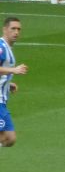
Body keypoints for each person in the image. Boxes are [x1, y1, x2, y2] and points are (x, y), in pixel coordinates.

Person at [0, 18, 28, 150]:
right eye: (13, 28)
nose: (16, 32)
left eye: (18, 29)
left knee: (8, 138)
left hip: (2, 99)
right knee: (9, 137)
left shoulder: (8, 47)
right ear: (5, 29)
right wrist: (13, 70)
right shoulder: (1, 47)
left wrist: (8, 84)